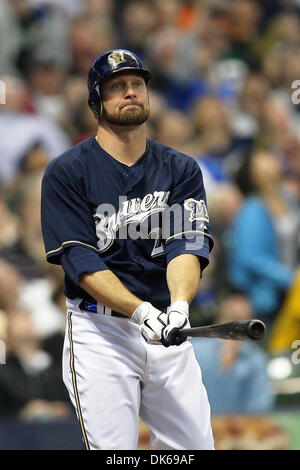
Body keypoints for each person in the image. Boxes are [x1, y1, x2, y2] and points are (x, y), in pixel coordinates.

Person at [41, 49, 215, 450]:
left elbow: (185, 245)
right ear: (96, 101)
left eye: (137, 84)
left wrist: (180, 307)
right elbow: (80, 260)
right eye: (117, 86)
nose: (130, 92)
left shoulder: (180, 168)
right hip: (100, 332)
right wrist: (140, 312)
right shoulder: (68, 171)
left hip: (167, 330)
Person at [192, 291, 274, 415]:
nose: (234, 330)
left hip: (240, 430)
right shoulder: (193, 350)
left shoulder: (256, 360)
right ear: (219, 319)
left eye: (242, 323)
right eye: (230, 320)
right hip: (194, 428)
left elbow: (259, 408)